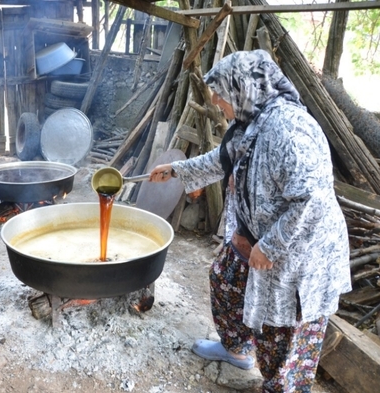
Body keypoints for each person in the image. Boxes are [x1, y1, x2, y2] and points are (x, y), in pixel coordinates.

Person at [149, 50, 351, 392]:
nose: (215, 100)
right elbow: (223, 158)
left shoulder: (289, 130)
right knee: (225, 282)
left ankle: (280, 387)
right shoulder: (251, 122)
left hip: (298, 254)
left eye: (221, 92)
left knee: (283, 337)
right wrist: (177, 170)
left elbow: (312, 201)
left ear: (246, 89)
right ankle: (237, 349)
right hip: (254, 236)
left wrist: (270, 246)